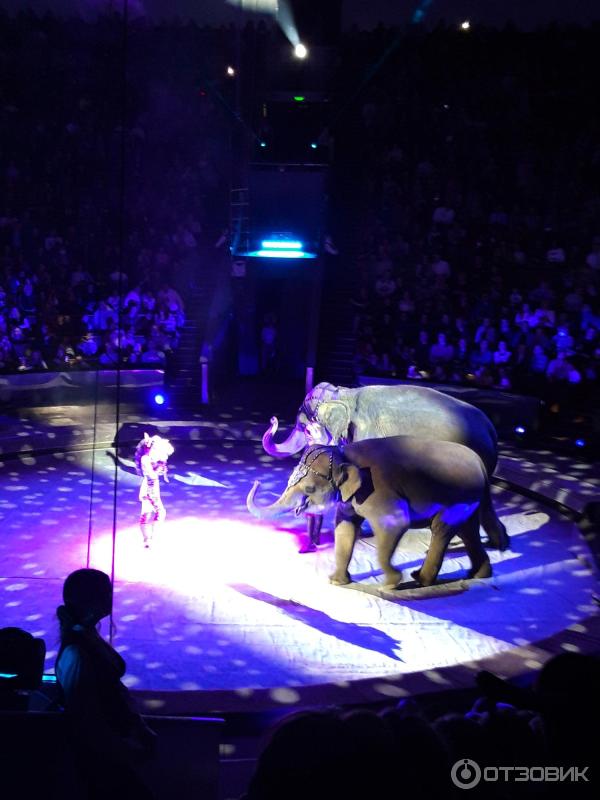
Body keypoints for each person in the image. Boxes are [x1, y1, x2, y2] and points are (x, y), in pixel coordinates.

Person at [55, 568, 156, 798]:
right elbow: (85, 713)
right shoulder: (78, 650)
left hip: (111, 751)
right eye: (105, 592)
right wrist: (119, 747)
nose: (111, 598)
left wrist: (139, 726)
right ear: (89, 598)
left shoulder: (87, 638)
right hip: (102, 758)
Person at [134, 433, 174, 548]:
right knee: (161, 512)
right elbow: (151, 475)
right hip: (150, 489)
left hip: (149, 487)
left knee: (146, 513)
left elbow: (154, 472)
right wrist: (158, 470)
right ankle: (151, 538)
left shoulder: (149, 458)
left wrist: (160, 468)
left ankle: (147, 540)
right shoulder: (146, 459)